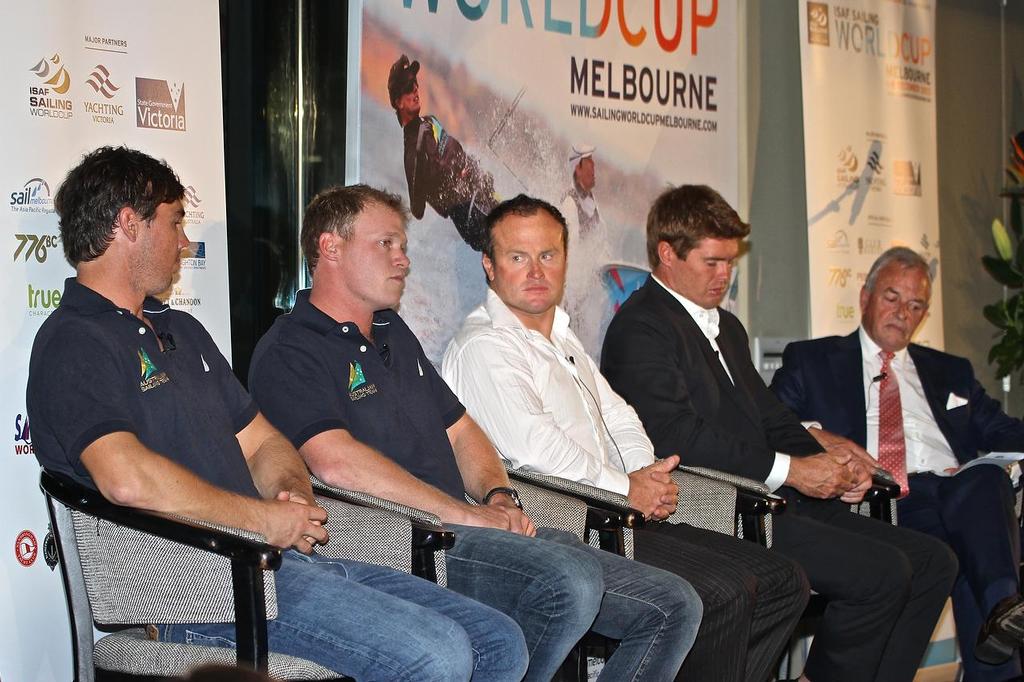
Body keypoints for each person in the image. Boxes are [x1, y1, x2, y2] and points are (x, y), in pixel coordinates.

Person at [27, 146, 529, 682]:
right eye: (174, 223)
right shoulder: (73, 341)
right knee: (439, 653)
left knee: (499, 641)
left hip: (279, 564)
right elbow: (125, 479)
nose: (183, 242)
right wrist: (262, 520)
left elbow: (264, 442)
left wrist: (290, 493)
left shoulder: (182, 331)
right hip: (201, 594)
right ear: (129, 223)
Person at [248, 183, 703, 682]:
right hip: (404, 539)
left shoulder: (393, 333)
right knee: (567, 583)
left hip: (465, 527)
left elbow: (463, 430)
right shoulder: (290, 349)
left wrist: (500, 495)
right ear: (330, 248)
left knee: (672, 605)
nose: (403, 260)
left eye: (403, 246)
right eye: (387, 244)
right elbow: (334, 461)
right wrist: (464, 513)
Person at [442, 193, 810, 682]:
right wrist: (626, 488)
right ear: (489, 267)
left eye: (548, 255)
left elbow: (619, 414)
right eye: (517, 257)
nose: (536, 271)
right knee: (728, 590)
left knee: (783, 581)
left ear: (565, 261)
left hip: (621, 509)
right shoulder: (484, 346)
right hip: (570, 520)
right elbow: (539, 451)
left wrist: (643, 472)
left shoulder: (560, 336)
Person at [600, 184, 958, 682]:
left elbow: (767, 414)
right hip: (722, 507)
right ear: (667, 253)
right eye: (712, 262)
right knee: (882, 574)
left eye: (730, 262)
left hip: (772, 494)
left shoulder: (724, 325)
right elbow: (677, 437)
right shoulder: (640, 329)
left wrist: (829, 464)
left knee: (933, 561)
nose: (724, 275)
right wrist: (795, 470)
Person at [771, 246, 1024, 681]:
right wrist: (819, 436)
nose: (903, 312)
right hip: (881, 497)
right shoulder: (812, 359)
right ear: (865, 296)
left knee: (984, 481)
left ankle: (1006, 607)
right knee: (966, 550)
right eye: (892, 297)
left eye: (916, 305)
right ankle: (1004, 622)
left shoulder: (950, 370)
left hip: (959, 490)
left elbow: (1004, 429)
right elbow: (772, 419)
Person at [388, 54, 497, 252]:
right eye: (407, 88)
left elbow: (454, 153)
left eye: (415, 84)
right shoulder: (412, 149)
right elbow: (417, 210)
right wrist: (421, 153)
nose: (415, 90)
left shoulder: (431, 121)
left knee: (521, 225)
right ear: (398, 103)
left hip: (479, 193)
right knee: (510, 242)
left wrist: (474, 169)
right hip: (468, 212)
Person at [559, 144, 613, 354]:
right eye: (589, 167)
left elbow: (602, 244)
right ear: (577, 169)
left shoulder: (593, 205)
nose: (594, 172)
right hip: (573, 301)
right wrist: (568, 303)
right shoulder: (569, 204)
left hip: (589, 297)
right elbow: (568, 253)